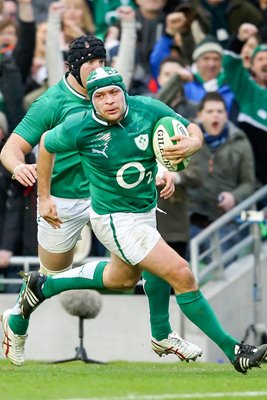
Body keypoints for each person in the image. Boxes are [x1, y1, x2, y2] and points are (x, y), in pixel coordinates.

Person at [19, 67, 267, 374]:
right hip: (114, 219)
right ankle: (235, 350)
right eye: (100, 96)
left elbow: (192, 129)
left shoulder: (148, 109)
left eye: (114, 92)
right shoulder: (79, 126)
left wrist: (192, 145)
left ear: (124, 91)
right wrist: (45, 197)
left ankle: (45, 285)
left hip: (144, 211)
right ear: (92, 101)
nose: (108, 100)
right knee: (182, 274)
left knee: (121, 280)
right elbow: (45, 144)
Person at [0, 36, 201, 367]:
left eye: (101, 62)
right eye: (89, 65)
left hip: (108, 197)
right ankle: (18, 320)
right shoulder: (51, 103)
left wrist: (165, 168)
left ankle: (162, 333)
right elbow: (11, 149)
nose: (97, 71)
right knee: (52, 273)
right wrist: (22, 170)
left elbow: (150, 132)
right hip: (63, 200)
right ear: (73, 69)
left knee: (142, 261)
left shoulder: (116, 95)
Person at [187, 91, 256, 256]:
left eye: (220, 111)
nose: (215, 116)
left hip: (225, 222)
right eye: (210, 112)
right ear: (199, 115)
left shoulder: (240, 141)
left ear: (226, 115)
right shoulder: (187, 138)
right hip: (190, 220)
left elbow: (249, 183)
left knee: (222, 274)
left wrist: (234, 197)